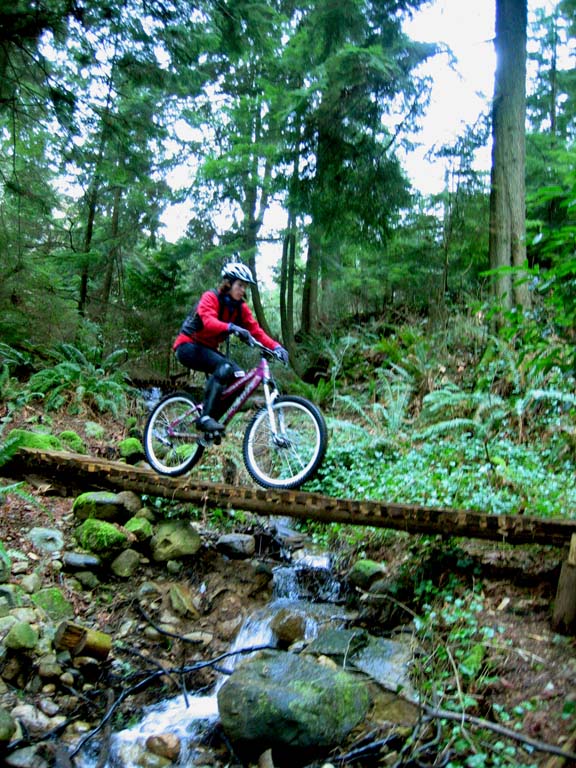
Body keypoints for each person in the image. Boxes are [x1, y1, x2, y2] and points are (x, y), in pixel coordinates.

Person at [173, 262, 289, 433]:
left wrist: (277, 347)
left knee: (239, 377)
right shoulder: (210, 297)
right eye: (240, 285)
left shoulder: (240, 308)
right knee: (225, 366)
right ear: (228, 283)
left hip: (208, 350)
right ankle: (205, 418)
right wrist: (231, 327)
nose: (242, 290)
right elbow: (208, 321)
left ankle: (213, 422)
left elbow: (256, 331)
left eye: (245, 287)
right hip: (187, 345)